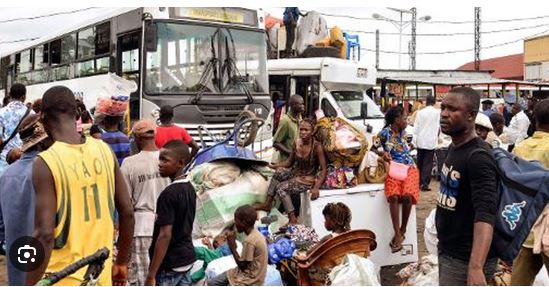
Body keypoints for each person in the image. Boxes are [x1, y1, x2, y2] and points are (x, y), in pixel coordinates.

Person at [27, 86, 135, 285]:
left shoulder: (45, 162)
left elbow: (44, 234)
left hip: (61, 278)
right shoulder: (103, 150)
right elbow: (127, 211)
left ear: (42, 118)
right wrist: (121, 262)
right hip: (99, 277)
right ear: (77, 113)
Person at [436, 87, 499, 286]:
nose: (444, 114)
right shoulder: (454, 147)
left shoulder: (478, 156)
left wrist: (475, 267)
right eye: (443, 107)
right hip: (449, 252)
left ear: (471, 115)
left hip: (465, 260)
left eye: (452, 109)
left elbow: (486, 213)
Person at [0, 114, 53, 285]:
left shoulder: (6, 175)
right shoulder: (48, 173)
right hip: (44, 262)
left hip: (16, 257)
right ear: (42, 142)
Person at [121, 119, 171, 286]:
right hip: (167, 227)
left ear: (137, 138)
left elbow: (125, 204)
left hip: (142, 228)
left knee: (143, 278)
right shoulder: (169, 158)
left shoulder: (129, 164)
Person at [254, 118, 327, 224]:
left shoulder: (317, 147)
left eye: (306, 130)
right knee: (278, 173)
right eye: (301, 129)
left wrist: (316, 188)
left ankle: (293, 219)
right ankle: (267, 204)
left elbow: (323, 169)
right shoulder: (296, 143)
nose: (303, 132)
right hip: (296, 173)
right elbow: (289, 163)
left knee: (281, 188)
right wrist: (274, 166)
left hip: (308, 179)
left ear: (312, 131)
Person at [146, 140, 196, 286]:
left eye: (165, 160)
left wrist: (151, 274)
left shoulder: (168, 194)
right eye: (160, 159)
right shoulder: (189, 188)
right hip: (186, 259)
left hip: (170, 264)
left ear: (180, 163)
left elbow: (165, 235)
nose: (160, 164)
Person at [510, 99, 549, 286]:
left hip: (525, 227)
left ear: (535, 121)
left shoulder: (521, 147)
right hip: (547, 230)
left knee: (519, 282)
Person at [373, 106, 419, 253]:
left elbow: (409, 147)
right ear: (396, 119)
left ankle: (403, 230)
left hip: (410, 167)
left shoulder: (406, 134)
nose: (406, 121)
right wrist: (383, 154)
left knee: (407, 196)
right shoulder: (384, 133)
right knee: (393, 196)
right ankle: (397, 234)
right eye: (404, 118)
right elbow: (373, 149)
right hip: (394, 168)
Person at [207, 205, 268, 286]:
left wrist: (232, 246)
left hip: (250, 279)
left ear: (244, 222)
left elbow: (243, 266)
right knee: (211, 283)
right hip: (242, 271)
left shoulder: (249, 241)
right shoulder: (256, 234)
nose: (235, 223)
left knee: (214, 283)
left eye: (236, 220)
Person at [0, 83, 30, 175]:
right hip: (25, 159)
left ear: (10, 95)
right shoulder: (31, 114)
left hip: (4, 160)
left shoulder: (2, 112)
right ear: (24, 97)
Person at [413, 95, 440, 191]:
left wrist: (414, 140)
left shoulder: (420, 113)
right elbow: (438, 127)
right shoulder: (437, 113)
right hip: (431, 141)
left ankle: (418, 182)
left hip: (421, 140)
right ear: (434, 102)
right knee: (428, 163)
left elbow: (416, 127)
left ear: (426, 102)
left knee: (419, 162)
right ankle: (425, 184)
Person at [272, 94, 304, 163]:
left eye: (303, 104)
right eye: (300, 104)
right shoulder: (286, 121)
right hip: (286, 162)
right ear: (293, 106)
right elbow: (276, 143)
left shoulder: (299, 118)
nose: (303, 106)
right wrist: (291, 153)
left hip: (296, 162)